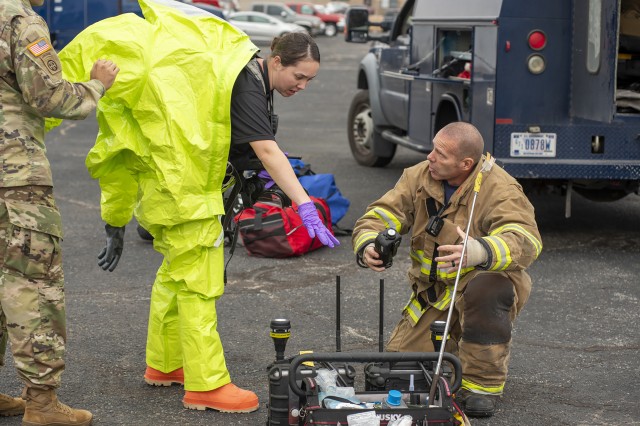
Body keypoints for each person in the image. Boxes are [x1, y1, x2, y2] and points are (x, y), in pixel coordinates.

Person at [93, 29, 338, 413]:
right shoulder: (246, 84)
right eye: (299, 76)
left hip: (172, 189)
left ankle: (165, 363)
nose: (303, 85)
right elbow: (266, 149)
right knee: (199, 286)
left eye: (310, 79)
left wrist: (117, 217)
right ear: (276, 61)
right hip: (188, 196)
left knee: (175, 277)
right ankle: (206, 385)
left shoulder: (245, 75)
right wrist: (304, 204)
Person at [352, 122, 542, 418]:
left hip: (475, 290)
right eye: (432, 148)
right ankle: (452, 353)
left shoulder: (500, 188)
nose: (430, 157)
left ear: (465, 164)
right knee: (396, 376)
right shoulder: (418, 176)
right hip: (435, 299)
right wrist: (369, 244)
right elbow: (382, 214)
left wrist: (478, 251)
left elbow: (526, 240)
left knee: (490, 288)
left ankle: (480, 385)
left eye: (440, 154)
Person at [0, 0, 119, 425]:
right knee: (33, 287)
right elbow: (48, 96)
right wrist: (95, 85)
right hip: (14, 178)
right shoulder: (20, 20)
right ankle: (42, 404)